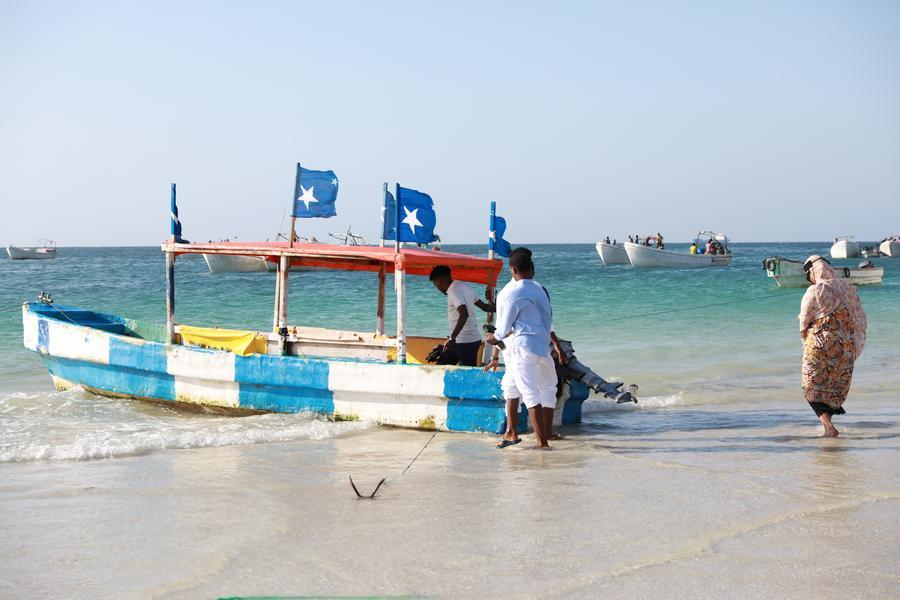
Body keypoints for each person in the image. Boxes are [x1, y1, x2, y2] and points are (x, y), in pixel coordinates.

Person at [484, 247, 566, 449]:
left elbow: (502, 328)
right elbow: (548, 320)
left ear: (512, 269)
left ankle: (542, 443)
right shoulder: (540, 289)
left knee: (529, 393)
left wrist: (493, 339)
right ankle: (517, 432)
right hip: (541, 345)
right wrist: (553, 343)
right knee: (544, 386)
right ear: (532, 267)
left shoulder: (509, 293)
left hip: (520, 348)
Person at [798, 256, 867, 437]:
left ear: (813, 272)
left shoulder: (815, 291)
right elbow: (858, 317)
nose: (810, 279)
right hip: (844, 346)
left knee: (811, 386)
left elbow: (804, 321)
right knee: (833, 384)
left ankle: (828, 427)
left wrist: (805, 340)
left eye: (809, 275)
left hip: (819, 345)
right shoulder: (847, 289)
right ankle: (828, 426)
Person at [429, 266, 494, 367]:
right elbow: (485, 307)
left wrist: (452, 338)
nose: (437, 288)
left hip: (465, 342)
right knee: (441, 366)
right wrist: (501, 305)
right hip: (467, 341)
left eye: (435, 284)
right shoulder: (464, 286)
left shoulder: (452, 291)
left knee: (465, 375)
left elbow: (464, 313)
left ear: (440, 281)